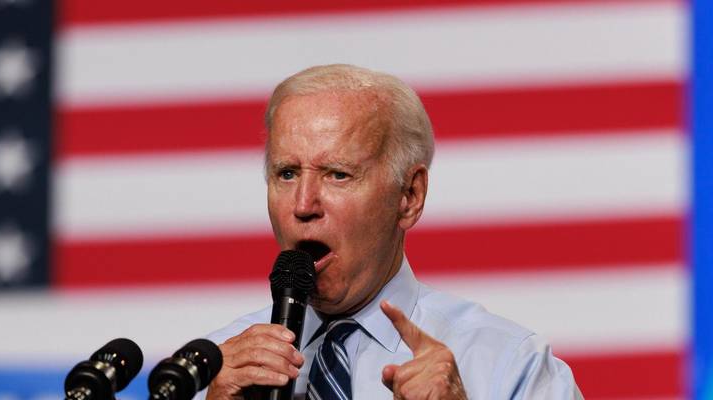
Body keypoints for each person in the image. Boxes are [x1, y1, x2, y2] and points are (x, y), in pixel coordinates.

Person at [203, 64, 582, 399]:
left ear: (409, 196)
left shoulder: (509, 365)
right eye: (286, 173)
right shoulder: (213, 370)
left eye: (338, 174)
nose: (303, 205)